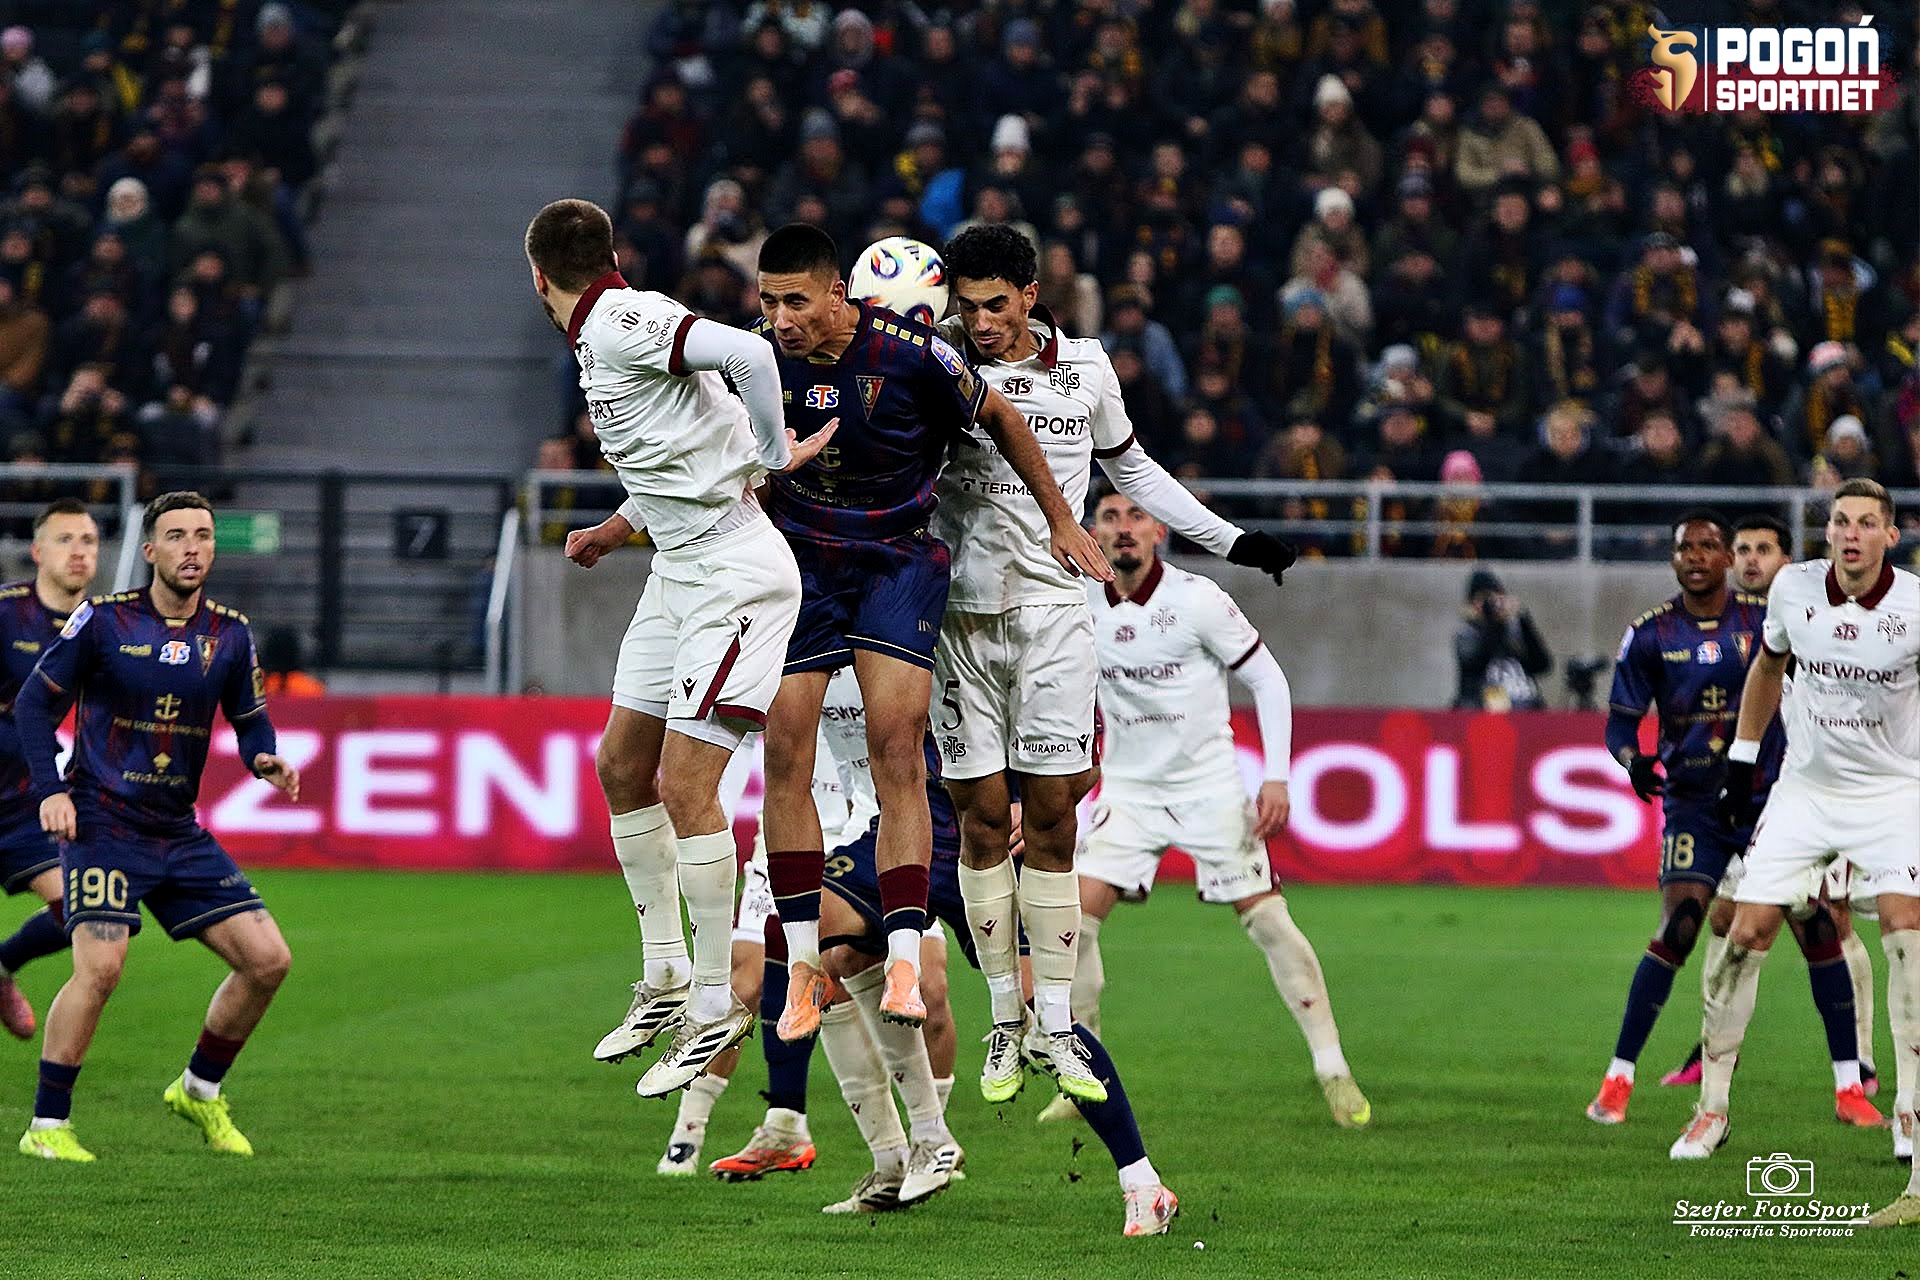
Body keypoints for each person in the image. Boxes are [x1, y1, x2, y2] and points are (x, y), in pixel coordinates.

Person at [909, 225, 1296, 1102]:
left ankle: (1055, 1026)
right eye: (968, 307)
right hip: (960, 618)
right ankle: (1004, 1021)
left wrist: (1232, 541)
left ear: (1031, 295)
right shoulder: (937, 362)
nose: (982, 323)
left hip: (1056, 616)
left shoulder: (1086, 369)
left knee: (1052, 818)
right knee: (980, 824)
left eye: (997, 306)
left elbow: (1138, 472)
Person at [747, 223, 1107, 1042]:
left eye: (795, 301)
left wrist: (1060, 519)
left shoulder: (915, 354)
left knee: (898, 749)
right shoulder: (755, 357)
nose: (781, 318)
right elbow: (721, 457)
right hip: (804, 564)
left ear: (837, 293)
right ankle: (801, 965)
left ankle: (906, 959)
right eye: (768, 302)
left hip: (895, 562)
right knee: (784, 751)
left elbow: (1004, 417)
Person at [530, 199, 830, 1098]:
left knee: (686, 788)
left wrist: (773, 454)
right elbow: (687, 444)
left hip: (735, 573)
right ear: (609, 255)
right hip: (677, 565)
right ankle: (663, 975)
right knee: (621, 767)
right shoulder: (605, 332)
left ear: (537, 276)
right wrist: (617, 527)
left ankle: (713, 1003)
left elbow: (751, 358)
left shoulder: (622, 320)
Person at [1061, 491, 1368, 1132]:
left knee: (1269, 922)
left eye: (1136, 516)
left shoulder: (1197, 599)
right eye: (1111, 517)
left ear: (1159, 531)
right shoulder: (1077, 601)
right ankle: (1081, 1068)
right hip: (1127, 792)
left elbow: (1268, 679)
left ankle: (1332, 1066)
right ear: (1093, 531)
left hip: (1210, 789)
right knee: (1072, 926)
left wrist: (1277, 777)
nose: (1124, 529)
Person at [14, 492, 300, 1162]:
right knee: (102, 967)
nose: (192, 547)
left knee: (268, 961)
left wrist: (263, 757)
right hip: (103, 823)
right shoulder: (103, 621)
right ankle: (47, 1127)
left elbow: (250, 719)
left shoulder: (230, 635)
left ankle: (199, 1089)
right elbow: (32, 705)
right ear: (150, 551)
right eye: (176, 536)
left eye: (203, 535)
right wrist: (51, 792)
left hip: (176, 829)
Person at [1669, 481, 1920, 1234]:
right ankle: (1711, 1110)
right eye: (1841, 521)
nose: (1851, 534)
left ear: (1890, 536)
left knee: (1906, 935)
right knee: (1742, 932)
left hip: (1893, 791)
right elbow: (1768, 667)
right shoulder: (1793, 589)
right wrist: (1744, 759)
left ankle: (1908, 1115)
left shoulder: (1915, 607)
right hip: (1806, 791)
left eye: (1866, 523)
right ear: (1829, 532)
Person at [1590, 512, 1878, 1129]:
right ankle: (1618, 1077)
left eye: (1708, 546)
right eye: (1685, 548)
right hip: (1694, 803)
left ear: (1725, 560)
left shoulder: (1767, 621)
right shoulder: (1650, 633)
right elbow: (1619, 724)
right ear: (1673, 560)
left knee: (1816, 925)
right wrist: (1631, 759)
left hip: (1772, 801)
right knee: (1681, 927)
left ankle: (1850, 1087)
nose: (1696, 556)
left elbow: (1830, 687)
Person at [0, 500, 99, 1038]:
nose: (79, 551)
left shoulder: (104, 627)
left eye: (88, 540)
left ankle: (2, 967)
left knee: (82, 908)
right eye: (65, 540)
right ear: (37, 552)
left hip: (24, 803)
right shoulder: (5, 612)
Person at [1452, 569, 1551, 711]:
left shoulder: (1514, 631)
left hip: (1525, 708)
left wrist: (1524, 622)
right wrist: (1492, 622)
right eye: (1483, 599)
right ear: (1472, 603)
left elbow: (1542, 665)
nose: (1491, 604)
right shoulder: (1467, 634)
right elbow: (1475, 663)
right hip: (1484, 710)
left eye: (1496, 598)